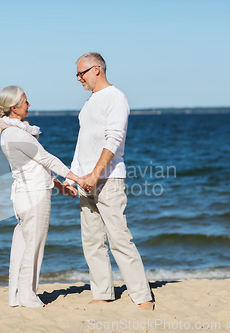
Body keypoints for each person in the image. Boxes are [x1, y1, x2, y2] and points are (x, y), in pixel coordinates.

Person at [63, 53, 154, 310]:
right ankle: (103, 293)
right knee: (92, 241)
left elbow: (113, 140)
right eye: (77, 74)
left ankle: (142, 296)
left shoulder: (116, 98)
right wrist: (72, 176)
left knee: (119, 239)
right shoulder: (89, 103)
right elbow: (82, 145)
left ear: (97, 69)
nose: (79, 78)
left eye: (82, 73)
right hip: (84, 182)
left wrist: (95, 174)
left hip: (108, 180)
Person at [0, 86, 82, 308]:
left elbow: (35, 164)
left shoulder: (12, 132)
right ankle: (27, 296)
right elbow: (46, 159)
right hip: (34, 197)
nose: (29, 104)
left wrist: (60, 186)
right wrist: (77, 178)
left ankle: (15, 296)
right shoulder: (15, 134)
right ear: (14, 108)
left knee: (22, 247)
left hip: (24, 196)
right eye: (25, 101)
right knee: (33, 247)